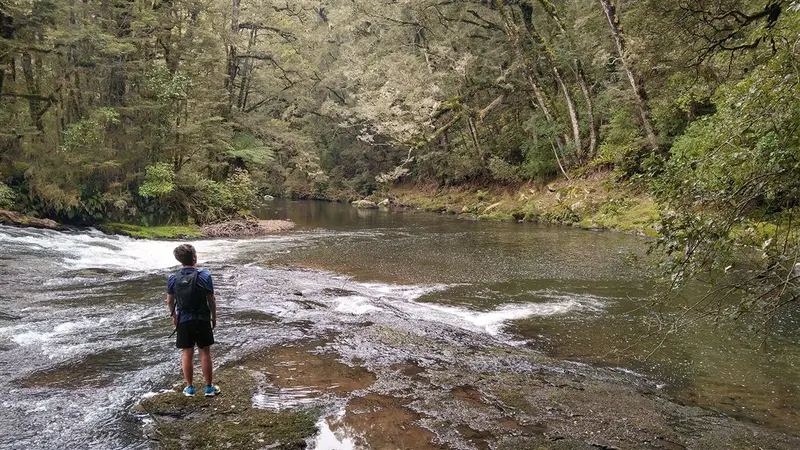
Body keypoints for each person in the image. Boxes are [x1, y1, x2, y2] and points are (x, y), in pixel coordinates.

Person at [166, 243, 220, 397]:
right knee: (205, 353)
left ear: (179, 260)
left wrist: (174, 317)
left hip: (184, 320)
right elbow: (212, 299)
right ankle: (209, 387)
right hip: (202, 319)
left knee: (186, 353)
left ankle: (189, 388)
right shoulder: (205, 275)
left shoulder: (173, 278)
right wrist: (214, 317)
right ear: (195, 258)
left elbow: (169, 301)